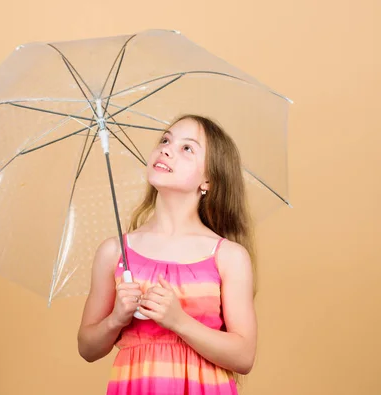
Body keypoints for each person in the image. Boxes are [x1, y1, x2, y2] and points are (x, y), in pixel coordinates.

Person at [77, 114, 258, 395]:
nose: (166, 149)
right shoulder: (115, 252)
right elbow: (87, 348)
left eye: (187, 148)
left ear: (208, 180)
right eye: (165, 140)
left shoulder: (228, 256)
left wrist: (179, 321)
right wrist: (115, 319)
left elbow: (244, 356)